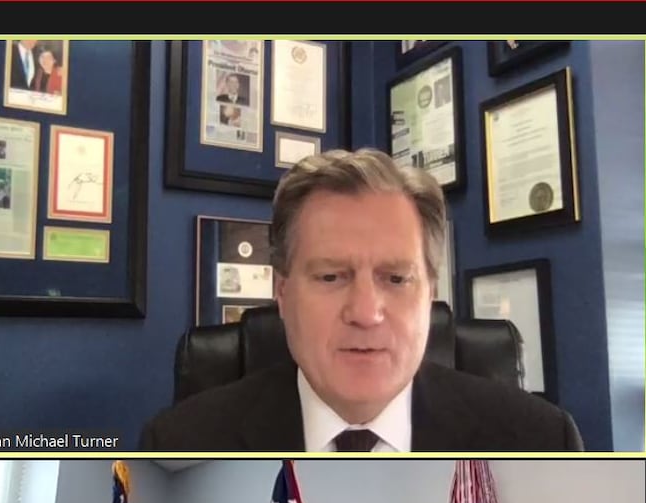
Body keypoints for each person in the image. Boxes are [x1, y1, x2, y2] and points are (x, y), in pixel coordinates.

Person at [138, 149, 583, 451]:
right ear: (282, 292)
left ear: (431, 291)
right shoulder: (180, 441)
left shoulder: (541, 440)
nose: (366, 313)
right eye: (331, 276)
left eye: (396, 278)